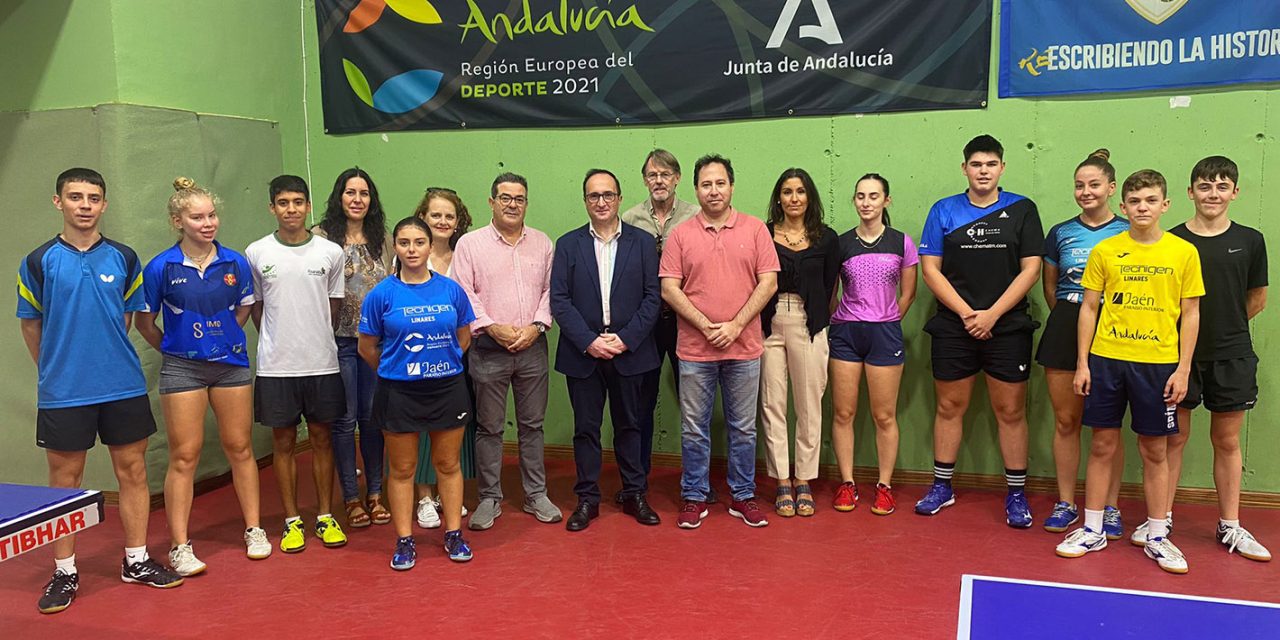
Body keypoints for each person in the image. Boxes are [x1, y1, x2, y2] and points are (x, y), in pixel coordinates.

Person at [20, 168, 183, 614]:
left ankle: (136, 560)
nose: (85, 205)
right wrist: (57, 369)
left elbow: (126, 321)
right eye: (76, 197)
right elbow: (31, 325)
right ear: (59, 202)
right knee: (64, 483)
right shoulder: (38, 261)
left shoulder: (125, 258)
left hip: (122, 386)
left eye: (93, 197)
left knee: (132, 472)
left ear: (104, 204)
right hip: (64, 392)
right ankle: (65, 571)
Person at [1054, 169, 1203, 575]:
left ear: (1165, 205)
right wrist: (1083, 363)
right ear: (1124, 206)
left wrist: (1183, 369)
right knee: (1102, 444)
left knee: (1154, 450)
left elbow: (1191, 313)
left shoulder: (1182, 252)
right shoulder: (1106, 250)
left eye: (1151, 200)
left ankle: (1157, 535)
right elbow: (1088, 308)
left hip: (1158, 366)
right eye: (1135, 202)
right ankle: (1092, 527)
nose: (1142, 208)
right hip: (1106, 360)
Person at [136, 177, 269, 576]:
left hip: (230, 364)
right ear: (178, 221)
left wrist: (222, 338)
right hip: (182, 368)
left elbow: (243, 310)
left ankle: (255, 529)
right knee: (184, 455)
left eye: (211, 215)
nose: (207, 223)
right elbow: (145, 323)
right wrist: (176, 348)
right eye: (197, 217)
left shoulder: (234, 263)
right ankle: (179, 546)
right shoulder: (161, 267)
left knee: (240, 447)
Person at [914, 135, 1045, 528]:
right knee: (949, 407)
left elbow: (1032, 269)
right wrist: (970, 314)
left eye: (990, 164)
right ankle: (942, 485)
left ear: (1002, 167)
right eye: (976, 164)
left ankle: (1017, 494)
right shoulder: (944, 211)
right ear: (965, 169)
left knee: (1010, 411)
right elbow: (930, 270)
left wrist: (992, 315)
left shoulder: (1022, 210)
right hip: (955, 326)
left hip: (1008, 327)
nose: (983, 171)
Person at [660, 154, 780, 529]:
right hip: (695, 351)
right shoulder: (681, 234)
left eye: (720, 183)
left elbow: (769, 283)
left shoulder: (755, 229)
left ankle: (742, 495)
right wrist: (707, 325)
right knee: (694, 427)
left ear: (731, 186)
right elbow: (669, 288)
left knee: (743, 427)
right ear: (696, 189)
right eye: (706, 184)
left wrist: (735, 325)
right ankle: (694, 495)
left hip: (744, 349)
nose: (713, 190)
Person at [1162, 156, 1270, 562]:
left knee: (1226, 441)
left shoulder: (1251, 240)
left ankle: (1230, 524)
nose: (1213, 194)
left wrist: (1223, 324)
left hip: (1232, 356)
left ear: (1234, 193)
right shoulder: (1170, 241)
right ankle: (1162, 519)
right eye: (1204, 187)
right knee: (1174, 439)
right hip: (1176, 357)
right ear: (1190, 192)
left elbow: (1256, 297)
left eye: (1221, 187)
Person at [359, 216, 476, 570]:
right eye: (404, 242)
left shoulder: (450, 289)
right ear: (395, 247)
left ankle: (454, 533)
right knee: (403, 468)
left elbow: (464, 336)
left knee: (447, 463)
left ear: (429, 246)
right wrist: (398, 368)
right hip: (399, 392)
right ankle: (404, 540)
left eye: (419, 242)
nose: (412, 249)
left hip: (447, 388)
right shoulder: (381, 294)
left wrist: (442, 363)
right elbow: (367, 347)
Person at [551, 169, 662, 531]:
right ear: (585, 200)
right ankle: (587, 498)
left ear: (619, 198)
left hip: (630, 351)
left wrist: (625, 338)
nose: (601, 202)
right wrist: (589, 341)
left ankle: (634, 493)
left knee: (631, 425)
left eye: (608, 195)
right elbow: (560, 300)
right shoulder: (567, 244)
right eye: (593, 196)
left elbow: (653, 297)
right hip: (583, 353)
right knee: (586, 428)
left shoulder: (644, 243)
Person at [452, 172, 562, 529]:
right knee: (490, 428)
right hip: (488, 348)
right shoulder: (470, 244)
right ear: (491, 202)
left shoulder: (543, 243)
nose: (512, 204)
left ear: (526, 203)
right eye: (505, 198)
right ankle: (489, 498)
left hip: (532, 347)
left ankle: (535, 494)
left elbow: (551, 291)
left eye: (519, 199)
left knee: (532, 426)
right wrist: (493, 327)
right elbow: (463, 293)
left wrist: (536, 327)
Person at [246, 175, 348, 553]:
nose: (291, 209)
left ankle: (324, 516)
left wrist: (313, 338)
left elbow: (333, 307)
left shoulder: (330, 252)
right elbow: (257, 308)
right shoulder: (256, 253)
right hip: (276, 367)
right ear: (272, 207)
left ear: (308, 206)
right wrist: (280, 340)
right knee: (284, 443)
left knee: (323, 440)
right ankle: (292, 521)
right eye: (283, 202)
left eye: (298, 202)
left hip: (322, 364)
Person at [1037, 151, 1129, 538]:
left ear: (1110, 188)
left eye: (1094, 185)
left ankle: (1109, 506)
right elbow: (1050, 285)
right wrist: (1072, 319)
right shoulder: (1060, 232)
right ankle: (1066, 501)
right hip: (1066, 323)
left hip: (1117, 327)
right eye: (1079, 185)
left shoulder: (1128, 230)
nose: (1086, 192)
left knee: (1107, 427)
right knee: (1066, 420)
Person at [828, 174, 918, 516]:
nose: (867, 202)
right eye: (861, 196)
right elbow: (831, 292)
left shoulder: (901, 242)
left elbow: (909, 293)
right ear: (854, 201)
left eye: (874, 196)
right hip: (846, 335)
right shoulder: (841, 244)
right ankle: (848, 483)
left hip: (885, 335)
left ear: (886, 201)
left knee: (884, 415)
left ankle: (884, 486)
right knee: (843, 412)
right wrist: (845, 317)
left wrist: (889, 316)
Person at [313, 168, 392, 530]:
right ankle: (350, 496)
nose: (357, 199)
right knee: (344, 422)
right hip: (338, 342)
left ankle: (375, 493)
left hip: (377, 342)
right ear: (339, 197)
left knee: (373, 418)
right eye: (350, 192)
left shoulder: (385, 240)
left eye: (364, 193)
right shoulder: (321, 238)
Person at [759, 168, 839, 518]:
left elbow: (830, 284)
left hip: (810, 323)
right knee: (772, 404)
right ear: (778, 197)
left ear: (810, 197)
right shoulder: (762, 234)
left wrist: (818, 319)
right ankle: (781, 481)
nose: (794, 198)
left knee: (809, 404)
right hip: (768, 325)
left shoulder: (827, 237)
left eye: (801, 191)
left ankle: (804, 479)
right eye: (787, 191)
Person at [621, 150, 701, 496]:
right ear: (644, 180)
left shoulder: (695, 216)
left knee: (695, 403)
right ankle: (637, 480)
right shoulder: (630, 218)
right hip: (644, 323)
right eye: (652, 175)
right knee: (639, 402)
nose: (659, 181)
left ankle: (696, 481)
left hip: (686, 319)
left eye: (665, 174)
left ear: (677, 178)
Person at [411, 187, 478, 528]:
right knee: (422, 426)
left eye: (449, 216)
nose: (442, 221)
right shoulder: (407, 258)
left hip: (459, 356)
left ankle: (445, 493)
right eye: (435, 215)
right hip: (418, 358)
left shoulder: (464, 257)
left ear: (458, 221)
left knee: (454, 425)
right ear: (422, 217)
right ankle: (424, 497)